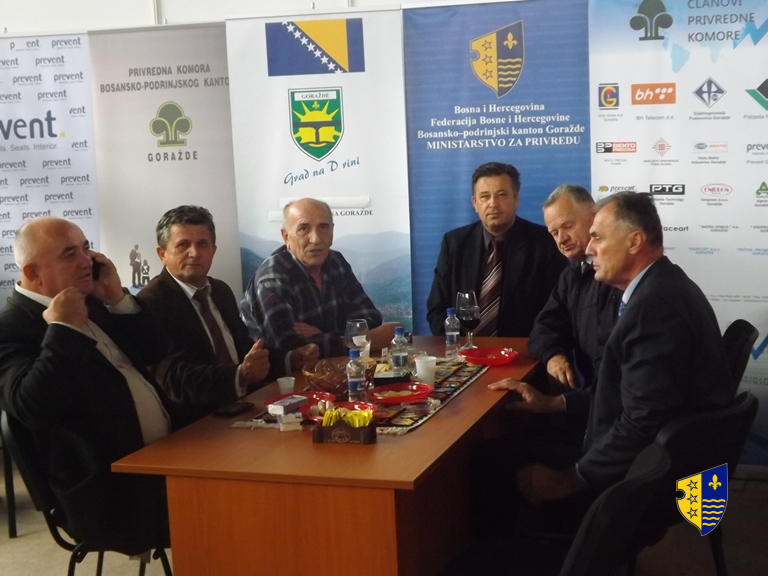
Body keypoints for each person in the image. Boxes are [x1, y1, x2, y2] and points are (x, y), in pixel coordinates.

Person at [489, 192, 733, 505]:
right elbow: (626, 395)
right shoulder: (662, 285)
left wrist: (570, 479)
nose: (589, 249)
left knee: (490, 459)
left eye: (597, 237)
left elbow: (641, 424)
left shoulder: (653, 309)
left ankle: (561, 536)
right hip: (647, 459)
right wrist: (553, 403)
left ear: (634, 241)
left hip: (646, 479)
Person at [0, 217, 172, 554]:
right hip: (109, 491)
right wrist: (64, 328)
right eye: (69, 254)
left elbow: (155, 351)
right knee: (228, 503)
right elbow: (32, 407)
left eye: (86, 248)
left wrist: (117, 299)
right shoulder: (11, 328)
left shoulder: (90, 300)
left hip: (160, 458)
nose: (86, 262)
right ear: (34, 273)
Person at [137, 206, 318, 426]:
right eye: (183, 245)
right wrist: (239, 376)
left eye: (202, 244)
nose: (194, 253)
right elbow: (171, 378)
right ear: (162, 254)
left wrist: (291, 358)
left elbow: (245, 351)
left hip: (246, 409)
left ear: (213, 251)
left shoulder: (220, 291)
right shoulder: (151, 303)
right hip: (198, 425)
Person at [241, 198, 397, 358]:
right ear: (286, 237)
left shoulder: (336, 262)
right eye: (303, 229)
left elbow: (370, 317)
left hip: (336, 366)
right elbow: (288, 347)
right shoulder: (272, 277)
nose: (315, 239)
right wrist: (365, 341)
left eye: (323, 227)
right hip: (283, 373)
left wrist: (323, 334)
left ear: (332, 232)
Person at [426, 162, 566, 337]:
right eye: (484, 196)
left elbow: (554, 312)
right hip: (464, 350)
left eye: (501, 195)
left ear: (516, 199)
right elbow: (437, 309)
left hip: (523, 349)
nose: (493, 203)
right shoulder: (454, 243)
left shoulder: (544, 243)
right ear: (474, 203)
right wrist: (459, 346)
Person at [528, 184, 622, 392]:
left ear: (594, 216)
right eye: (554, 233)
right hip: (591, 395)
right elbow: (545, 325)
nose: (561, 239)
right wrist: (553, 356)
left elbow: (611, 362)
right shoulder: (573, 271)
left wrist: (563, 404)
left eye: (568, 226)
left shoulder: (617, 272)